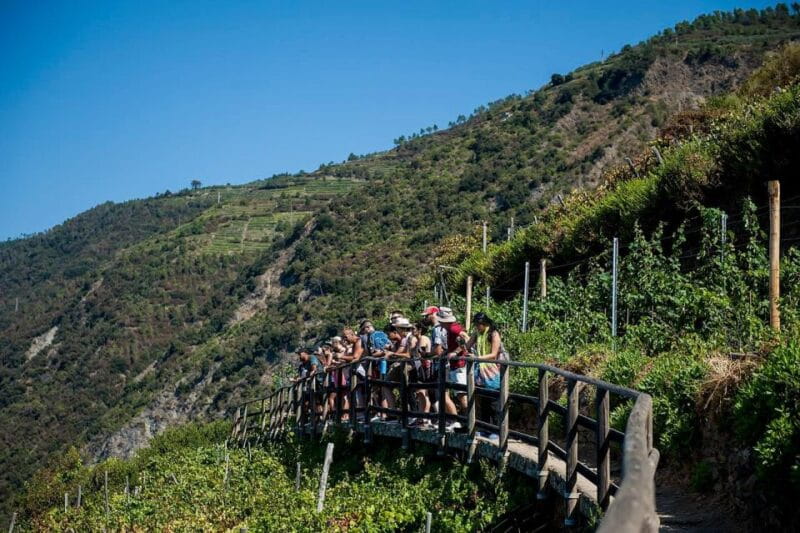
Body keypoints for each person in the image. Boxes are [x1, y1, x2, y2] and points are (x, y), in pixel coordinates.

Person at [465, 312, 509, 440]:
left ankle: (496, 429)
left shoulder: (493, 334)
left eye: (480, 324)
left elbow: (494, 354)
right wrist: (462, 347)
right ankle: (485, 428)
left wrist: (477, 357)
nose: (478, 326)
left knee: (494, 401)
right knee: (484, 400)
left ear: (486, 323)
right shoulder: (476, 333)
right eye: (476, 324)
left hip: (492, 370)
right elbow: (467, 346)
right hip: (481, 371)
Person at [437, 307, 470, 426]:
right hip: (455, 365)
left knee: (462, 395)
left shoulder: (453, 328)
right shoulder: (451, 329)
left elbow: (465, 338)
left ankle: (467, 422)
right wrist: (447, 352)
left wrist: (456, 352)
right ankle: (465, 421)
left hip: (459, 365)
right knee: (460, 394)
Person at [409, 321, 433, 426]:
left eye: (413, 329)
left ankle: (425, 417)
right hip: (421, 367)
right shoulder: (418, 339)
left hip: (426, 367)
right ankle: (422, 415)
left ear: (419, 330)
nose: (411, 331)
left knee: (424, 392)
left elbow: (421, 353)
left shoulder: (423, 339)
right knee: (420, 392)